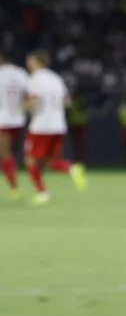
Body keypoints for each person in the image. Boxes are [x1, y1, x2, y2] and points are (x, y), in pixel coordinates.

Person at [23, 51, 87, 205]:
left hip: (41, 126)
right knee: (50, 161)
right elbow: (67, 100)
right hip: (58, 125)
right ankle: (72, 169)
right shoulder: (55, 78)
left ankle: (42, 192)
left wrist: (22, 108)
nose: (28, 64)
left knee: (30, 159)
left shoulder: (35, 79)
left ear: (37, 63)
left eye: (30, 61)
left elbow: (34, 100)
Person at [0, 51, 29, 199]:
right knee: (10, 153)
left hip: (3, 120)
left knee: (5, 153)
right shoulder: (21, 73)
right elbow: (30, 93)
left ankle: (14, 187)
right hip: (19, 119)